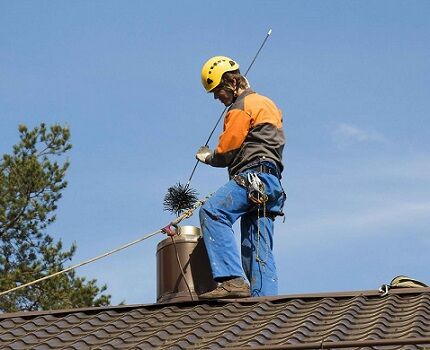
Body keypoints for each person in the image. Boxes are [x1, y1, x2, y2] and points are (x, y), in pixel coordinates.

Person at [196, 56, 286, 299]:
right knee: (257, 248)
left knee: (212, 211)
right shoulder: (267, 103)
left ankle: (230, 279)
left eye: (217, 91)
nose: (217, 98)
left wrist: (208, 156)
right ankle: (265, 304)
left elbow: (227, 150)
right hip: (271, 184)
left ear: (230, 83)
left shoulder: (240, 107)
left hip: (253, 176)